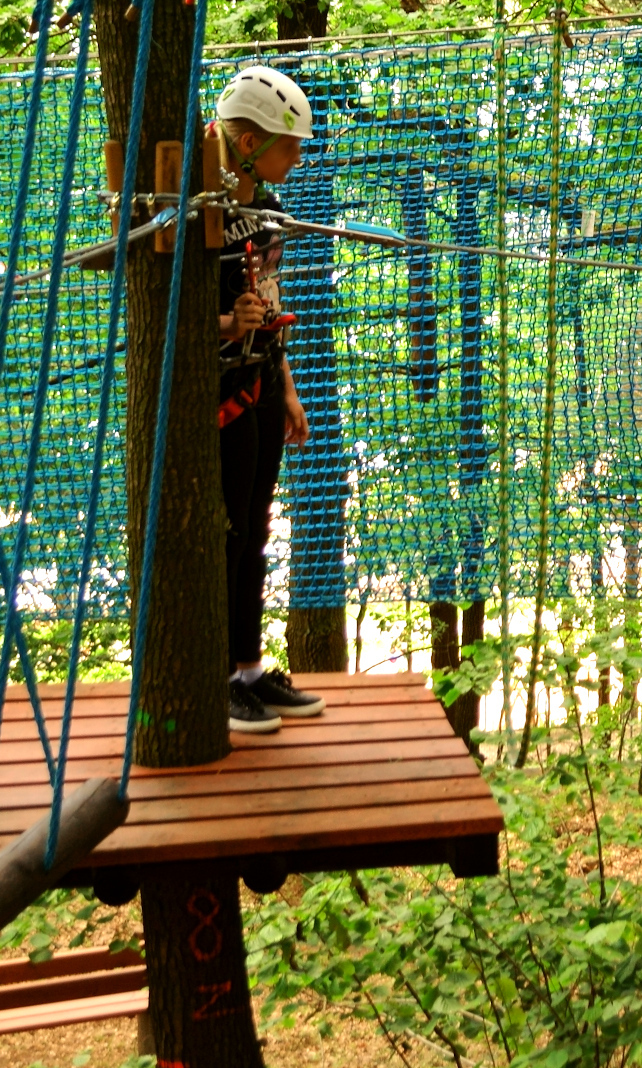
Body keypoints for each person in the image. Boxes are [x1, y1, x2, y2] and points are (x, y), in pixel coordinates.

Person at [215, 66, 326, 733]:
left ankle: (249, 670)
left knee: (255, 529)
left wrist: (286, 389)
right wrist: (230, 325)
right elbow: (162, 316)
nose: (299, 156)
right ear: (250, 140)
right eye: (290, 144)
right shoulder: (199, 203)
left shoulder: (264, 212)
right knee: (225, 534)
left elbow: (273, 302)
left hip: (257, 383)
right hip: (215, 389)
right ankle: (219, 678)